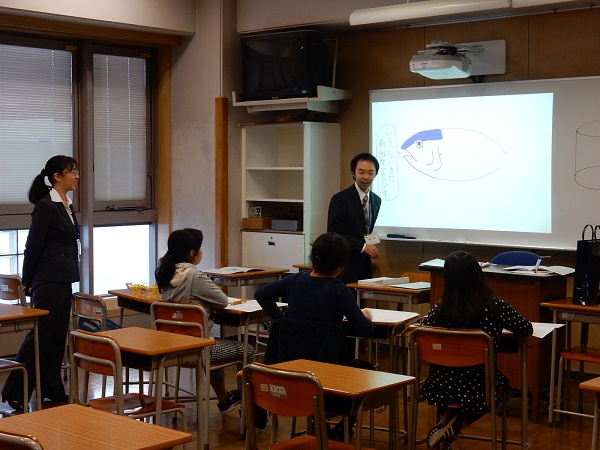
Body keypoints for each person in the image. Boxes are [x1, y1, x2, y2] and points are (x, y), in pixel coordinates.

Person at [255, 232, 375, 440]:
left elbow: (261, 294)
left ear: (313, 257)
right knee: (368, 371)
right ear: (341, 266)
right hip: (328, 372)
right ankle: (342, 429)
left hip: (291, 369)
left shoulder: (294, 281)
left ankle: (319, 424)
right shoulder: (339, 289)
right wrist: (366, 316)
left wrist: (282, 321)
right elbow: (365, 330)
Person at [421, 251, 533, 449]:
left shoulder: (440, 309)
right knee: (497, 385)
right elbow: (526, 328)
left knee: (455, 382)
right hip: (480, 386)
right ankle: (457, 422)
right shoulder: (494, 306)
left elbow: (424, 329)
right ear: (478, 275)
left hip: (440, 386)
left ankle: (450, 422)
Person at [2, 155, 80, 411]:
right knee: (41, 336)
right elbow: (33, 245)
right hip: (47, 280)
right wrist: (27, 280)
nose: (77, 176)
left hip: (63, 278)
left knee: (57, 337)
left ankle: (51, 389)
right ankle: (15, 391)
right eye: (72, 172)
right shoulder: (46, 206)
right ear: (57, 176)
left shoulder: (65, 204)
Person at [154, 228, 255, 415]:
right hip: (196, 350)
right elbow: (222, 301)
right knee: (247, 349)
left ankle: (225, 400)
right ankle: (248, 408)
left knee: (211, 342)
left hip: (171, 348)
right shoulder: (195, 276)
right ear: (192, 253)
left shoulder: (166, 273)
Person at [327, 152, 381, 288]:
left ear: (375, 174)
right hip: (345, 265)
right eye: (361, 172)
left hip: (365, 265)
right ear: (353, 173)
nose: (366, 177)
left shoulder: (376, 200)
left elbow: (366, 230)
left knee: (362, 300)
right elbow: (334, 233)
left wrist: (370, 244)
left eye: (370, 173)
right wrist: (363, 247)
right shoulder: (340, 199)